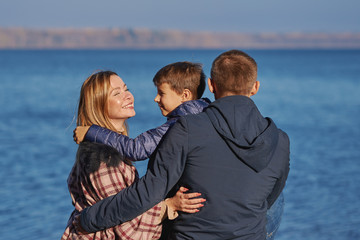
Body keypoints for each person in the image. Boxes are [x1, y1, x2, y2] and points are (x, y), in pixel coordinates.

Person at [77, 51, 291, 239]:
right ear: (255, 87)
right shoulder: (280, 140)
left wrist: (88, 218)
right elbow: (270, 197)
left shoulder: (187, 129)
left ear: (212, 85)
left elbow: (147, 193)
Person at [61, 71, 205, 240]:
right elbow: (127, 231)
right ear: (99, 105)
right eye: (117, 93)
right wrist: (169, 205)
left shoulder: (110, 149)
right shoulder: (102, 158)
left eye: (126, 89)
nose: (128, 96)